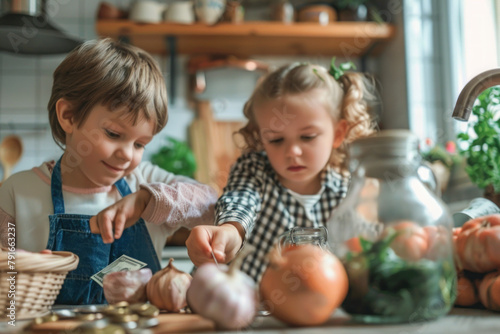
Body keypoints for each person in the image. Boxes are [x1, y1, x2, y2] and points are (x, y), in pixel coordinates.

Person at [0, 38, 217, 304]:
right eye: (113, 134)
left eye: (139, 144)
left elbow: (211, 204)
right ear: (68, 116)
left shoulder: (146, 182)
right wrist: (22, 270)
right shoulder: (18, 192)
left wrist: (147, 200)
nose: (127, 154)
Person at [186, 61, 378, 282]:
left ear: (338, 133)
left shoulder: (350, 187)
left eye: (307, 137)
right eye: (276, 139)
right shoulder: (254, 168)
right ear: (261, 137)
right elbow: (240, 198)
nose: (292, 152)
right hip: (249, 307)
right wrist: (231, 231)